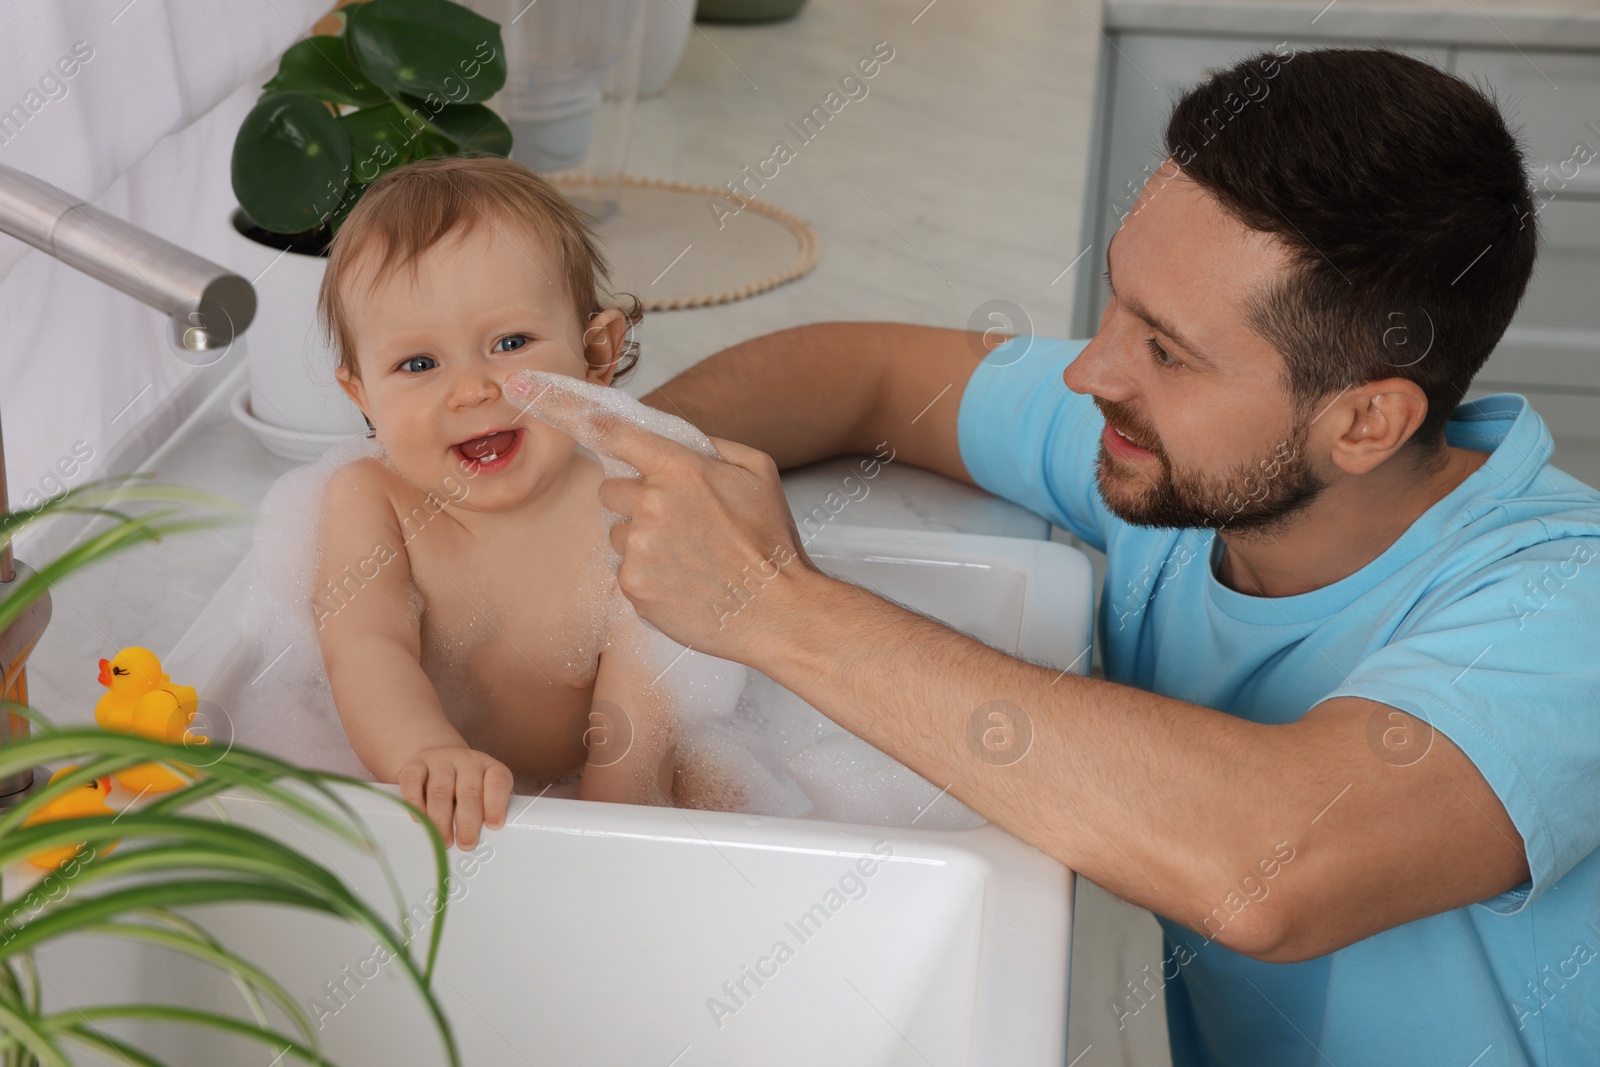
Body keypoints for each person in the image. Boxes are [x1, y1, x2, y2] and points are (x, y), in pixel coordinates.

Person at [545, 49, 1600, 1065]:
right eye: (1118, 305)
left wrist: (770, 606)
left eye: (1165, 349)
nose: (1092, 368)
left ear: (1365, 423)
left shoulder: (1563, 609)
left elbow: (1272, 865)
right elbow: (862, 370)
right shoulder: (1175, 458)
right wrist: (576, 481)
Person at [311, 156, 684, 850]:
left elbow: (640, 735)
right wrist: (423, 752)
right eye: (418, 364)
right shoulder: (369, 499)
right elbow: (365, 649)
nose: (472, 389)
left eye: (510, 343)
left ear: (595, 353)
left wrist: (605, 846)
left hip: (593, 803)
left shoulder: (632, 503)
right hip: (441, 812)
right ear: (362, 393)